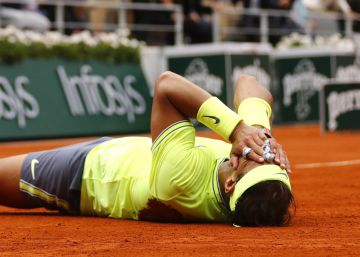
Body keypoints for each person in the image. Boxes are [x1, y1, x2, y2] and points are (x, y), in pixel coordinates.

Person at [0, 72, 294, 227]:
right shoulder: (265, 182)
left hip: (85, 176)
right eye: (271, 161)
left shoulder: (181, 182)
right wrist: (260, 130)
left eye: (258, 160)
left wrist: (236, 128)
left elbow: (167, 86)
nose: (263, 153)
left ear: (231, 183)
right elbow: (249, 82)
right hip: (123, 149)